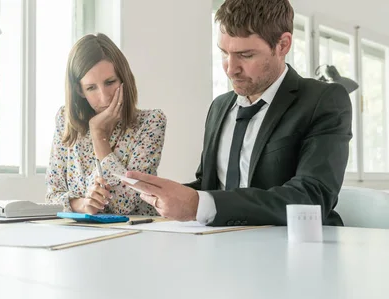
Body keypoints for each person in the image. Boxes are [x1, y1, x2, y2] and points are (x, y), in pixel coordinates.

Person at [127, 0, 352, 226]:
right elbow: (209, 187)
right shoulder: (219, 107)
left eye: (245, 55)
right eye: (224, 52)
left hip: (297, 249)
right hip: (221, 245)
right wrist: (163, 195)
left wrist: (197, 204)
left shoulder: (323, 101)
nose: (230, 68)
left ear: (283, 45)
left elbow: (311, 197)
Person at [45, 33, 167, 215]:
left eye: (110, 82)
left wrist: (98, 134)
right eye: (91, 88)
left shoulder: (150, 123)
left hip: (135, 235)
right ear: (79, 90)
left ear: (123, 79)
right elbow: (51, 198)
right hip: (78, 235)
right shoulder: (65, 120)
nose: (104, 97)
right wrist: (84, 204)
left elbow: (122, 205)